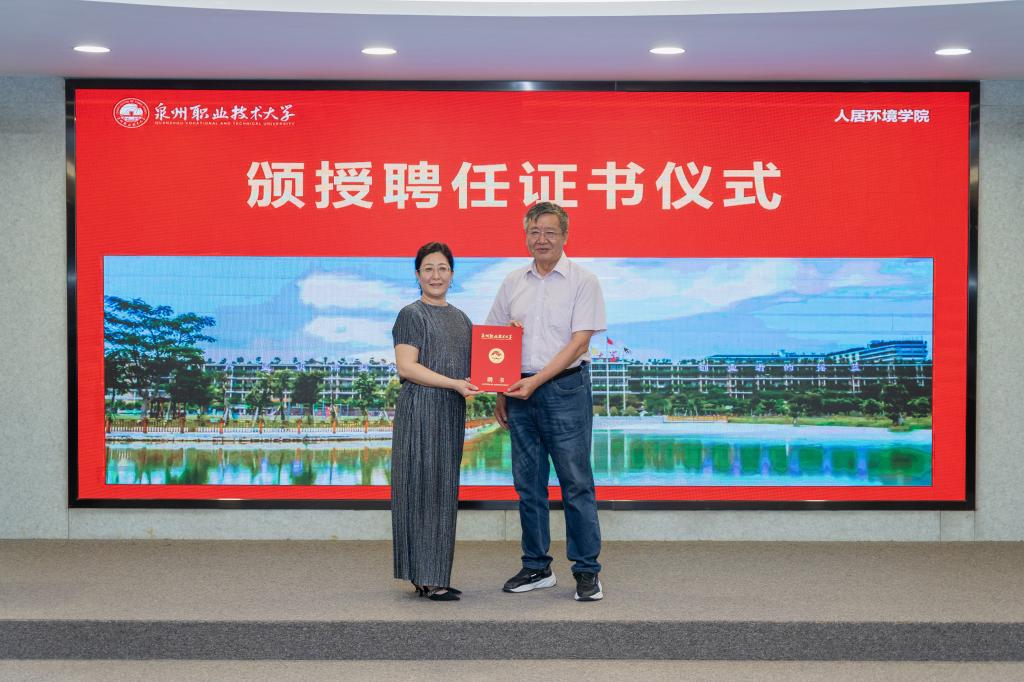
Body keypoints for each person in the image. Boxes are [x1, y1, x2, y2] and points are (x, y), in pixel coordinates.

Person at [485, 202, 606, 602]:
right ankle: (536, 566)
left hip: (565, 390)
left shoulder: (583, 281)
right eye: (535, 231)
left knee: (576, 482)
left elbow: (579, 343)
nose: (542, 239)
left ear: (564, 236)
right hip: (519, 393)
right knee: (528, 485)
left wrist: (536, 381)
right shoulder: (512, 282)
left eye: (550, 232)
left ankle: (586, 571)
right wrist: (501, 390)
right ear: (526, 236)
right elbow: (496, 338)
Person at [391, 242, 478, 601]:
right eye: (428, 269)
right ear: (418, 275)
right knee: (421, 488)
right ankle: (427, 577)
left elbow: (482, 364)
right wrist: (453, 384)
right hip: (421, 408)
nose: (436, 275)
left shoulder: (462, 319)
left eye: (442, 268)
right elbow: (406, 367)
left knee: (442, 491)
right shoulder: (411, 314)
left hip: (450, 411)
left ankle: (431, 574)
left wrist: (510, 335)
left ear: (452, 274)